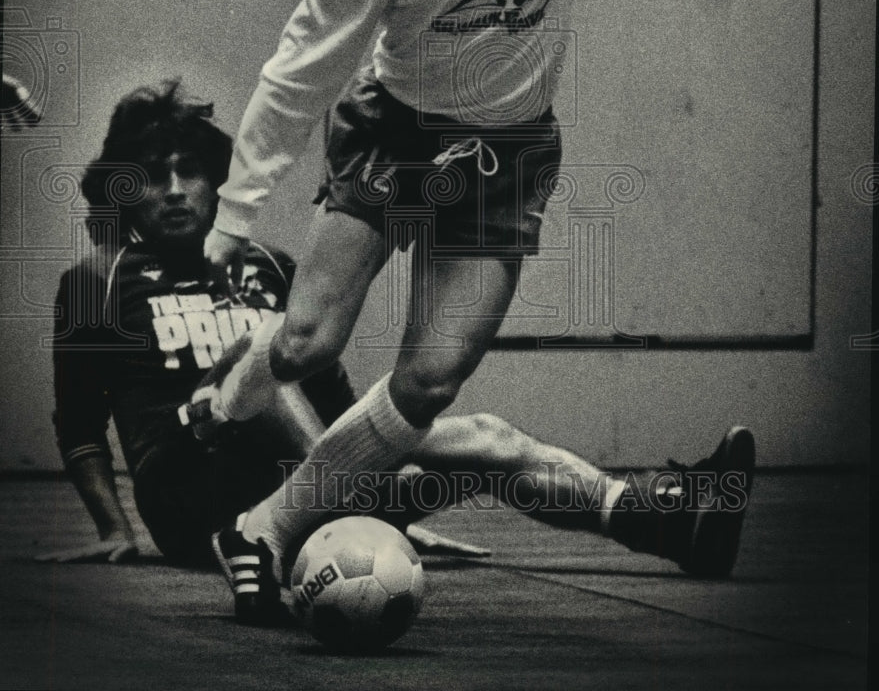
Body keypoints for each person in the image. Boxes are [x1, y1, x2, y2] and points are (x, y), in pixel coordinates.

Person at [197, 0, 834, 615]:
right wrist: (233, 218)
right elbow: (296, 75)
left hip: (506, 151)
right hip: (396, 131)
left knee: (427, 385)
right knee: (307, 343)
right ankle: (224, 404)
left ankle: (261, 528)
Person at [46, 79, 757, 628]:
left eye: (190, 169)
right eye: (152, 173)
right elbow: (78, 423)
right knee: (253, 358)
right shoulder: (94, 278)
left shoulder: (270, 262)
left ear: (215, 179)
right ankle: (353, 495)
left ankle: (659, 519)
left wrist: (390, 513)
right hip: (189, 495)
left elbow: (332, 398)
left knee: (486, 439)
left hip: (295, 480)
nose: (174, 189)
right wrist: (113, 529)